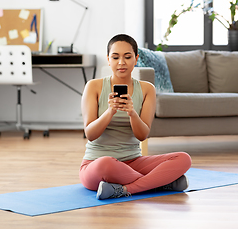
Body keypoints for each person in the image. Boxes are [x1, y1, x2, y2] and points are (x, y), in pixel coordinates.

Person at [79, 34, 192, 200]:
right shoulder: (93, 86)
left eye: (127, 57)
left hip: (133, 162)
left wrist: (132, 113)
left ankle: (124, 189)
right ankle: (161, 183)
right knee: (106, 163)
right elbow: (90, 134)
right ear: (108, 60)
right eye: (115, 57)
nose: (121, 62)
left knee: (183, 159)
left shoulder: (147, 89)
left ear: (136, 58)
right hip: (97, 164)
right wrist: (110, 112)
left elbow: (142, 135)